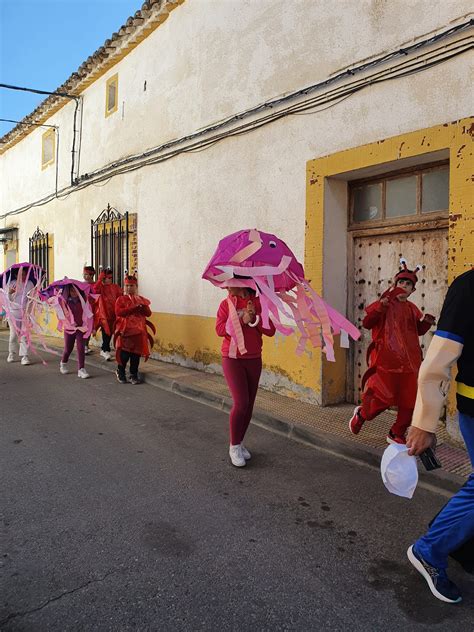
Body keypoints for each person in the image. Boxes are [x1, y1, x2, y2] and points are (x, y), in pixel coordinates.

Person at [406, 268, 474, 604]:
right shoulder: (469, 287)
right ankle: (430, 550)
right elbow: (435, 364)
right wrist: (425, 422)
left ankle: (455, 539)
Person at [349, 259, 435, 444]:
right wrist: (380, 307)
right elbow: (367, 323)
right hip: (386, 362)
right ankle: (363, 414)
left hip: (410, 364)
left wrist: (426, 322)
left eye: (408, 284)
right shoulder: (384, 304)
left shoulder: (412, 309)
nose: (404, 286)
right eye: (401, 282)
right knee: (382, 398)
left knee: (410, 402)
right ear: (395, 285)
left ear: (413, 290)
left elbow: (417, 330)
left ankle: (396, 432)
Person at [216, 283, 276, 467]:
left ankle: (240, 442)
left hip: (253, 358)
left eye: (230, 284)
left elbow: (270, 331)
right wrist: (242, 319)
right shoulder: (226, 304)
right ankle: (233, 446)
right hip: (232, 358)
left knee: (249, 404)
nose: (226, 287)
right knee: (241, 402)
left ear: (242, 284)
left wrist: (255, 317)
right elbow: (219, 330)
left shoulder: (259, 303)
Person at [114, 273, 154, 385]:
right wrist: (133, 307)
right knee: (124, 354)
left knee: (136, 355)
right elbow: (119, 312)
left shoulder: (141, 299)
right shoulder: (120, 299)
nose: (129, 288)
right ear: (124, 287)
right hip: (126, 331)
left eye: (131, 286)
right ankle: (120, 371)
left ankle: (133, 374)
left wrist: (143, 306)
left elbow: (148, 314)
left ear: (136, 287)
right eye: (127, 286)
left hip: (139, 331)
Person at [4, 266, 35, 366]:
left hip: (25, 313)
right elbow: (7, 300)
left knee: (24, 335)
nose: (23, 276)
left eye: (25, 274)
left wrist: (30, 309)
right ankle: (11, 353)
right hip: (13, 313)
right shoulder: (11, 283)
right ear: (16, 275)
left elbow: (32, 299)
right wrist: (9, 293)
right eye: (21, 274)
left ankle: (24, 356)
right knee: (13, 335)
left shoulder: (30, 284)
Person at [93, 267, 122, 361]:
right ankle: (105, 349)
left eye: (110, 278)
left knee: (112, 332)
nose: (108, 280)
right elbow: (95, 290)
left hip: (114, 313)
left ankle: (105, 349)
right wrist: (99, 279)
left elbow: (120, 298)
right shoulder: (100, 287)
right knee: (106, 332)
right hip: (104, 314)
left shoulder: (115, 287)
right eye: (106, 278)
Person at [82, 265, 96, 355]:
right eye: (84, 274)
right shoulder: (81, 285)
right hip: (84, 309)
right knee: (86, 327)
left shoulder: (95, 285)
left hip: (93, 308)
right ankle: (84, 346)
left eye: (86, 274)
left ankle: (86, 345)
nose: (84, 276)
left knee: (90, 328)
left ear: (91, 275)